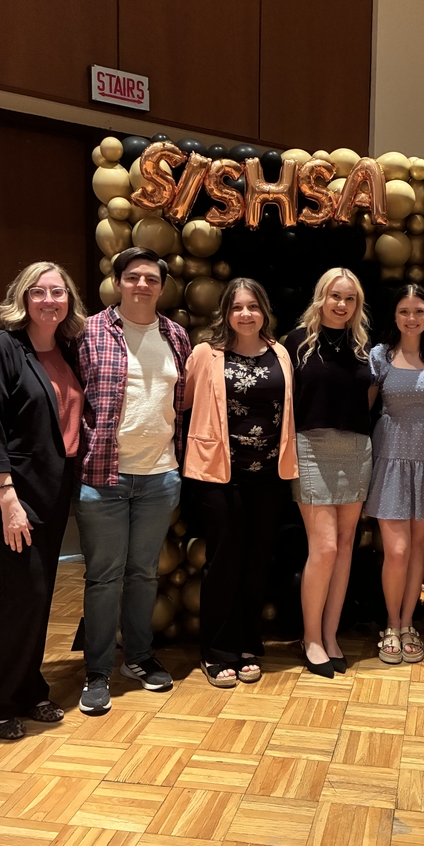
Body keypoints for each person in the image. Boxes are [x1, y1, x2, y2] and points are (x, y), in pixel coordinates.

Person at [0, 263, 87, 739]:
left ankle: (29, 686)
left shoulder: (66, 351)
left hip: (51, 494)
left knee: (39, 598)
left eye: (58, 292)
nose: (49, 299)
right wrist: (7, 498)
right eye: (38, 292)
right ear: (22, 298)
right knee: (25, 595)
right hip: (10, 499)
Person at [74, 246, 191, 715]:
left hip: (160, 474)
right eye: (133, 277)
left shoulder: (176, 336)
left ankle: (138, 657)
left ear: (161, 287)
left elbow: (179, 400)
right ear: (118, 282)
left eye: (151, 279)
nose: (142, 285)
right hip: (103, 475)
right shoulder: (87, 332)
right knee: (104, 577)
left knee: (144, 573)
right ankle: (97, 670)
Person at [183, 278, 298, 688]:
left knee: (256, 560)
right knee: (223, 561)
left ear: (264, 310)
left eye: (252, 306)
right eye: (237, 307)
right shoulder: (206, 353)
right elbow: (184, 403)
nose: (245, 314)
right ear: (225, 314)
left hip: (269, 475)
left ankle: (248, 641)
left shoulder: (280, 353)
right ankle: (216, 650)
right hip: (218, 474)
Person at [285, 268, 372, 678]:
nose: (342, 304)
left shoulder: (362, 348)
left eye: (350, 299)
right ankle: (311, 637)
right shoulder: (296, 342)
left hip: (356, 448)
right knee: (325, 549)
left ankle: (331, 634)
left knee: (346, 545)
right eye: (335, 296)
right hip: (311, 447)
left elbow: (368, 398)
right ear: (321, 297)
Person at [367, 285, 424, 664]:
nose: (412, 317)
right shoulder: (380, 356)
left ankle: (407, 623)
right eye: (405, 311)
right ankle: (389, 623)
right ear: (395, 316)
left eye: (419, 310)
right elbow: (362, 410)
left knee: (418, 548)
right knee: (397, 550)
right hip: (391, 457)